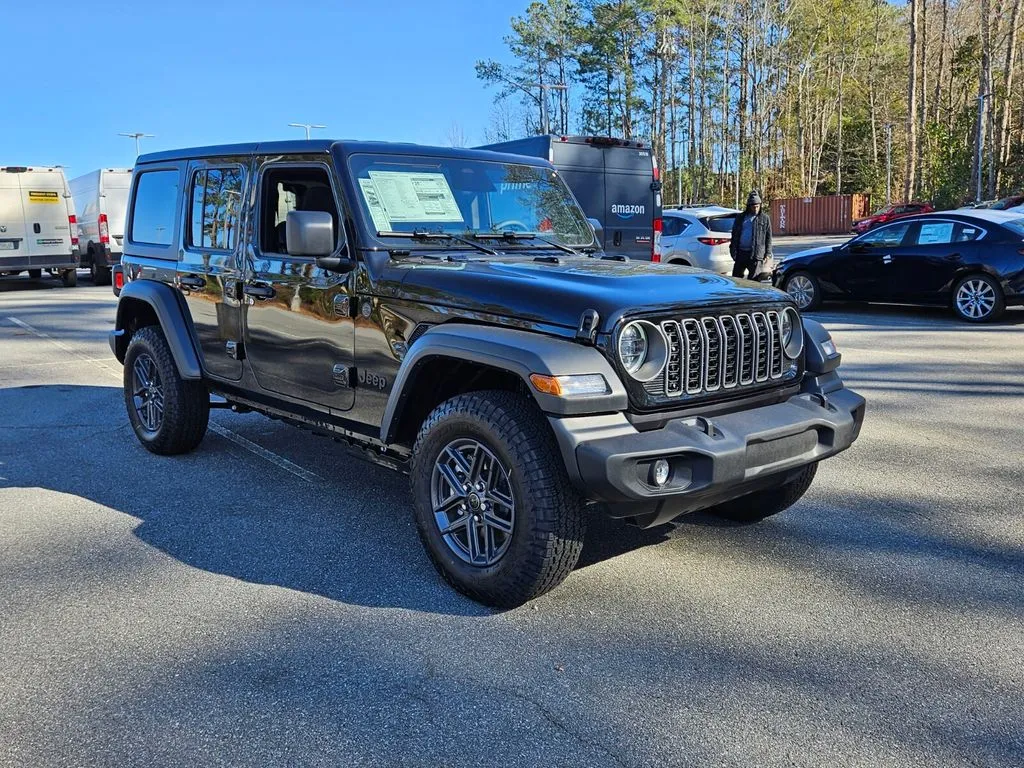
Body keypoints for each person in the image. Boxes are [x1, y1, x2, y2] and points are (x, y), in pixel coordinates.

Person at [730, 191, 773, 280]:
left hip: (756, 255)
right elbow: (734, 235)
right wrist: (732, 250)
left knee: (754, 281)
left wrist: (768, 253)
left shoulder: (765, 218)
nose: (756, 209)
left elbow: (768, 237)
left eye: (757, 206)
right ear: (749, 206)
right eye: (754, 207)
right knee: (736, 279)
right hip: (741, 253)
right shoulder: (740, 218)